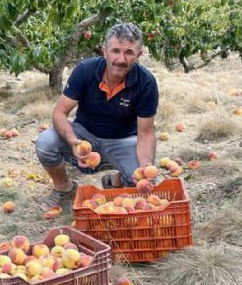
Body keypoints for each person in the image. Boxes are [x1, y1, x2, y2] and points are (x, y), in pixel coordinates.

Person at [36, 23, 158, 210]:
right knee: (45, 143)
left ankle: (116, 180)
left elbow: (146, 134)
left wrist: (145, 167)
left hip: (123, 139)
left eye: (129, 53)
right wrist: (73, 140)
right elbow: (59, 113)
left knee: (139, 185)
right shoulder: (85, 70)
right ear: (104, 51)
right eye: (115, 51)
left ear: (139, 55)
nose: (121, 59)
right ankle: (64, 188)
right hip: (84, 134)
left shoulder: (146, 83)